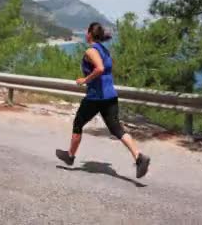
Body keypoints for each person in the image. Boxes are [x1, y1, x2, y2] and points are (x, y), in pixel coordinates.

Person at [56, 22, 151, 179]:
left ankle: (70, 156)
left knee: (78, 123)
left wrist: (85, 80)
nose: (85, 34)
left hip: (95, 97)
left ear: (89, 34)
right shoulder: (104, 50)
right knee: (116, 129)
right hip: (110, 95)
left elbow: (99, 69)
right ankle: (139, 157)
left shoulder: (91, 50)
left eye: (86, 32)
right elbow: (109, 66)